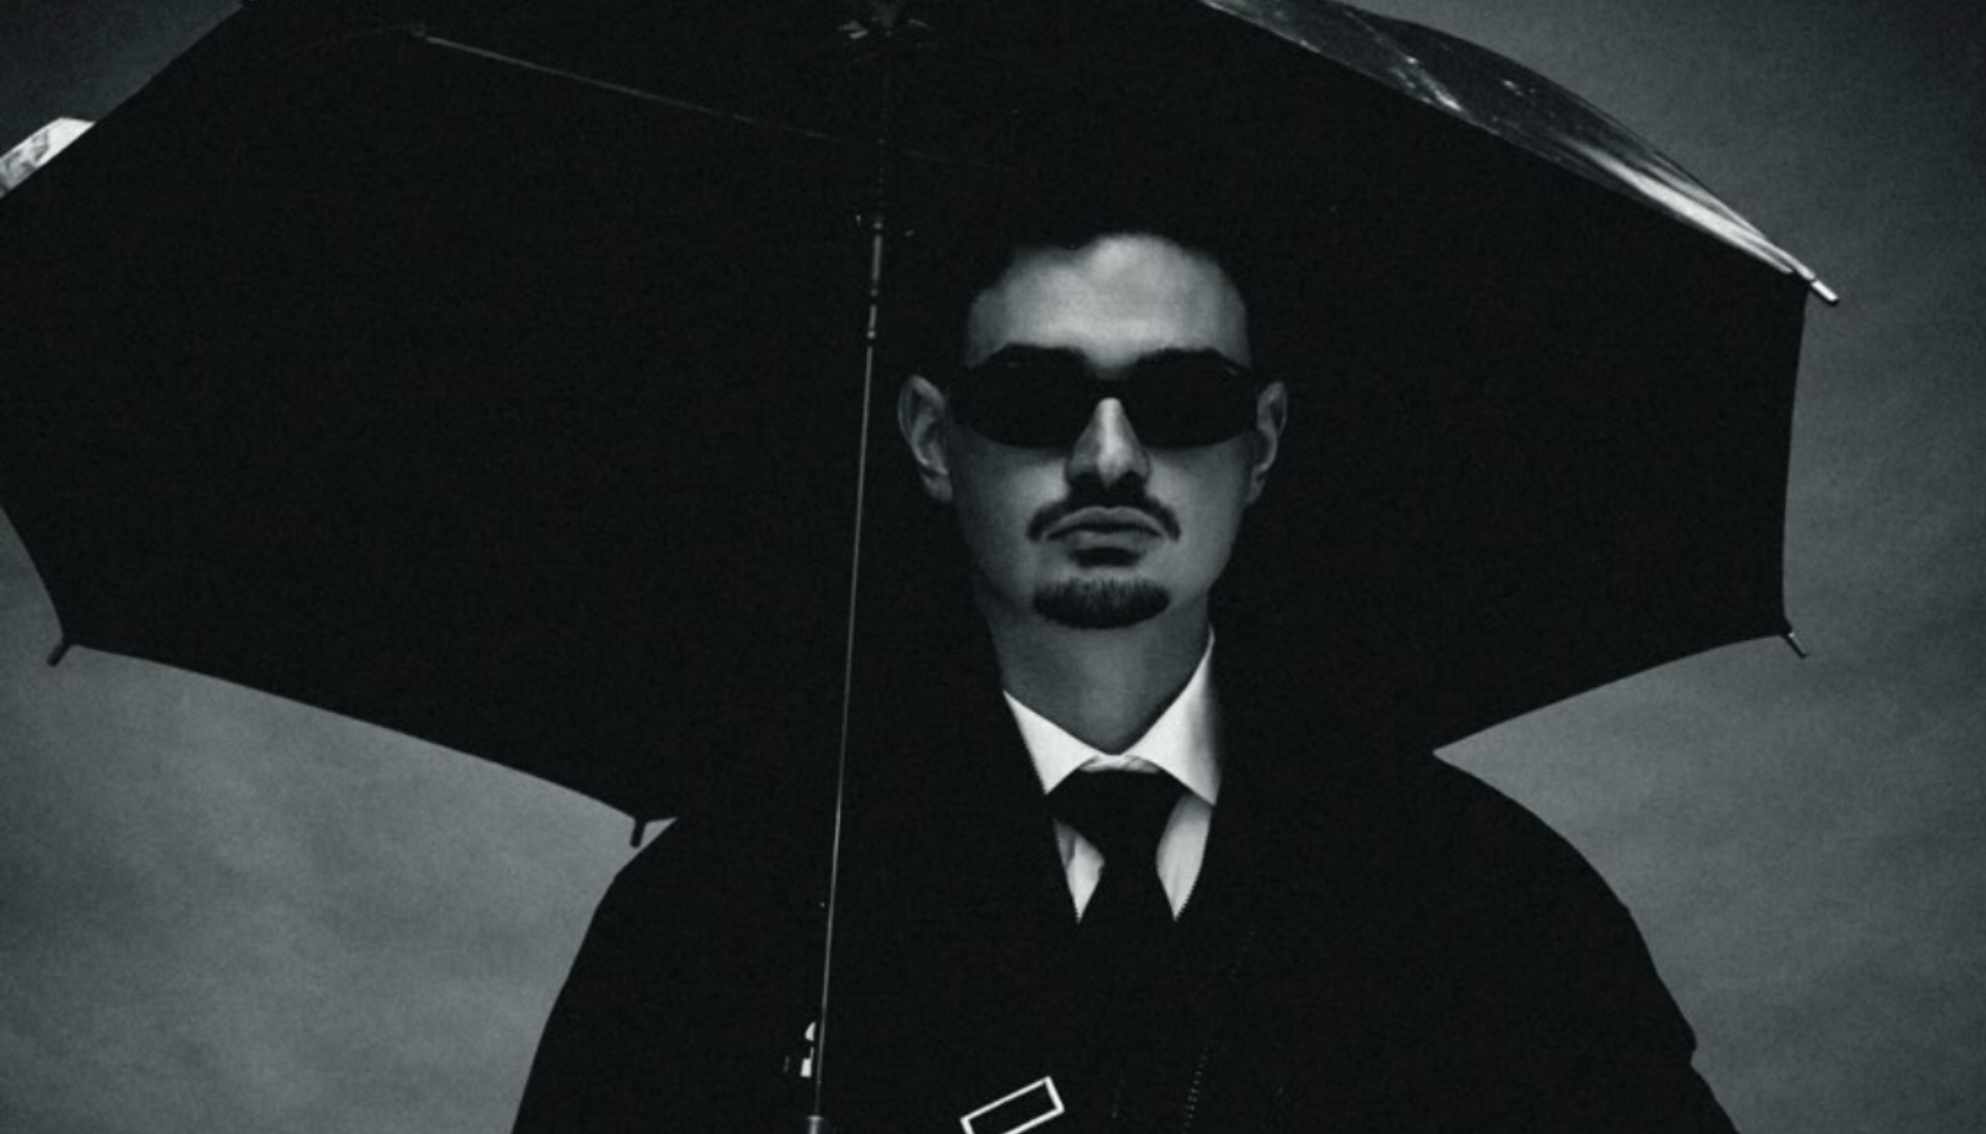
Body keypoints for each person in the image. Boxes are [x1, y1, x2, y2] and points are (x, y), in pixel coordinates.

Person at [512, 209, 1742, 1132]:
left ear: (1263, 442)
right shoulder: (729, 918)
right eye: (1035, 396)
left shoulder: (1487, 904)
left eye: (1184, 398)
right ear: (933, 440)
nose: (1109, 458)